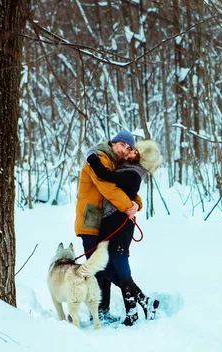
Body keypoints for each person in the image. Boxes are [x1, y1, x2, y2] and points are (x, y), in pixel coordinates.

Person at [86, 140, 162, 326]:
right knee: (112, 268)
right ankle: (144, 302)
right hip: (113, 225)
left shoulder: (132, 174)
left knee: (120, 266)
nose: (131, 151)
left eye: (135, 151)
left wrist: (91, 157)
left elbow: (105, 175)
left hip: (120, 227)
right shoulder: (128, 170)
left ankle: (133, 312)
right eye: (132, 149)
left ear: (140, 159)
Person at [74, 130, 143, 323]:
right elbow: (109, 189)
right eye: (122, 145)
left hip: (100, 223)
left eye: (129, 148)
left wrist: (137, 204)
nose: (124, 150)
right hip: (90, 222)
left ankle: (103, 312)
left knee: (102, 270)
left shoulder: (113, 163)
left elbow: (123, 188)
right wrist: (130, 207)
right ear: (114, 143)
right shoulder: (98, 159)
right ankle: (102, 312)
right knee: (100, 271)